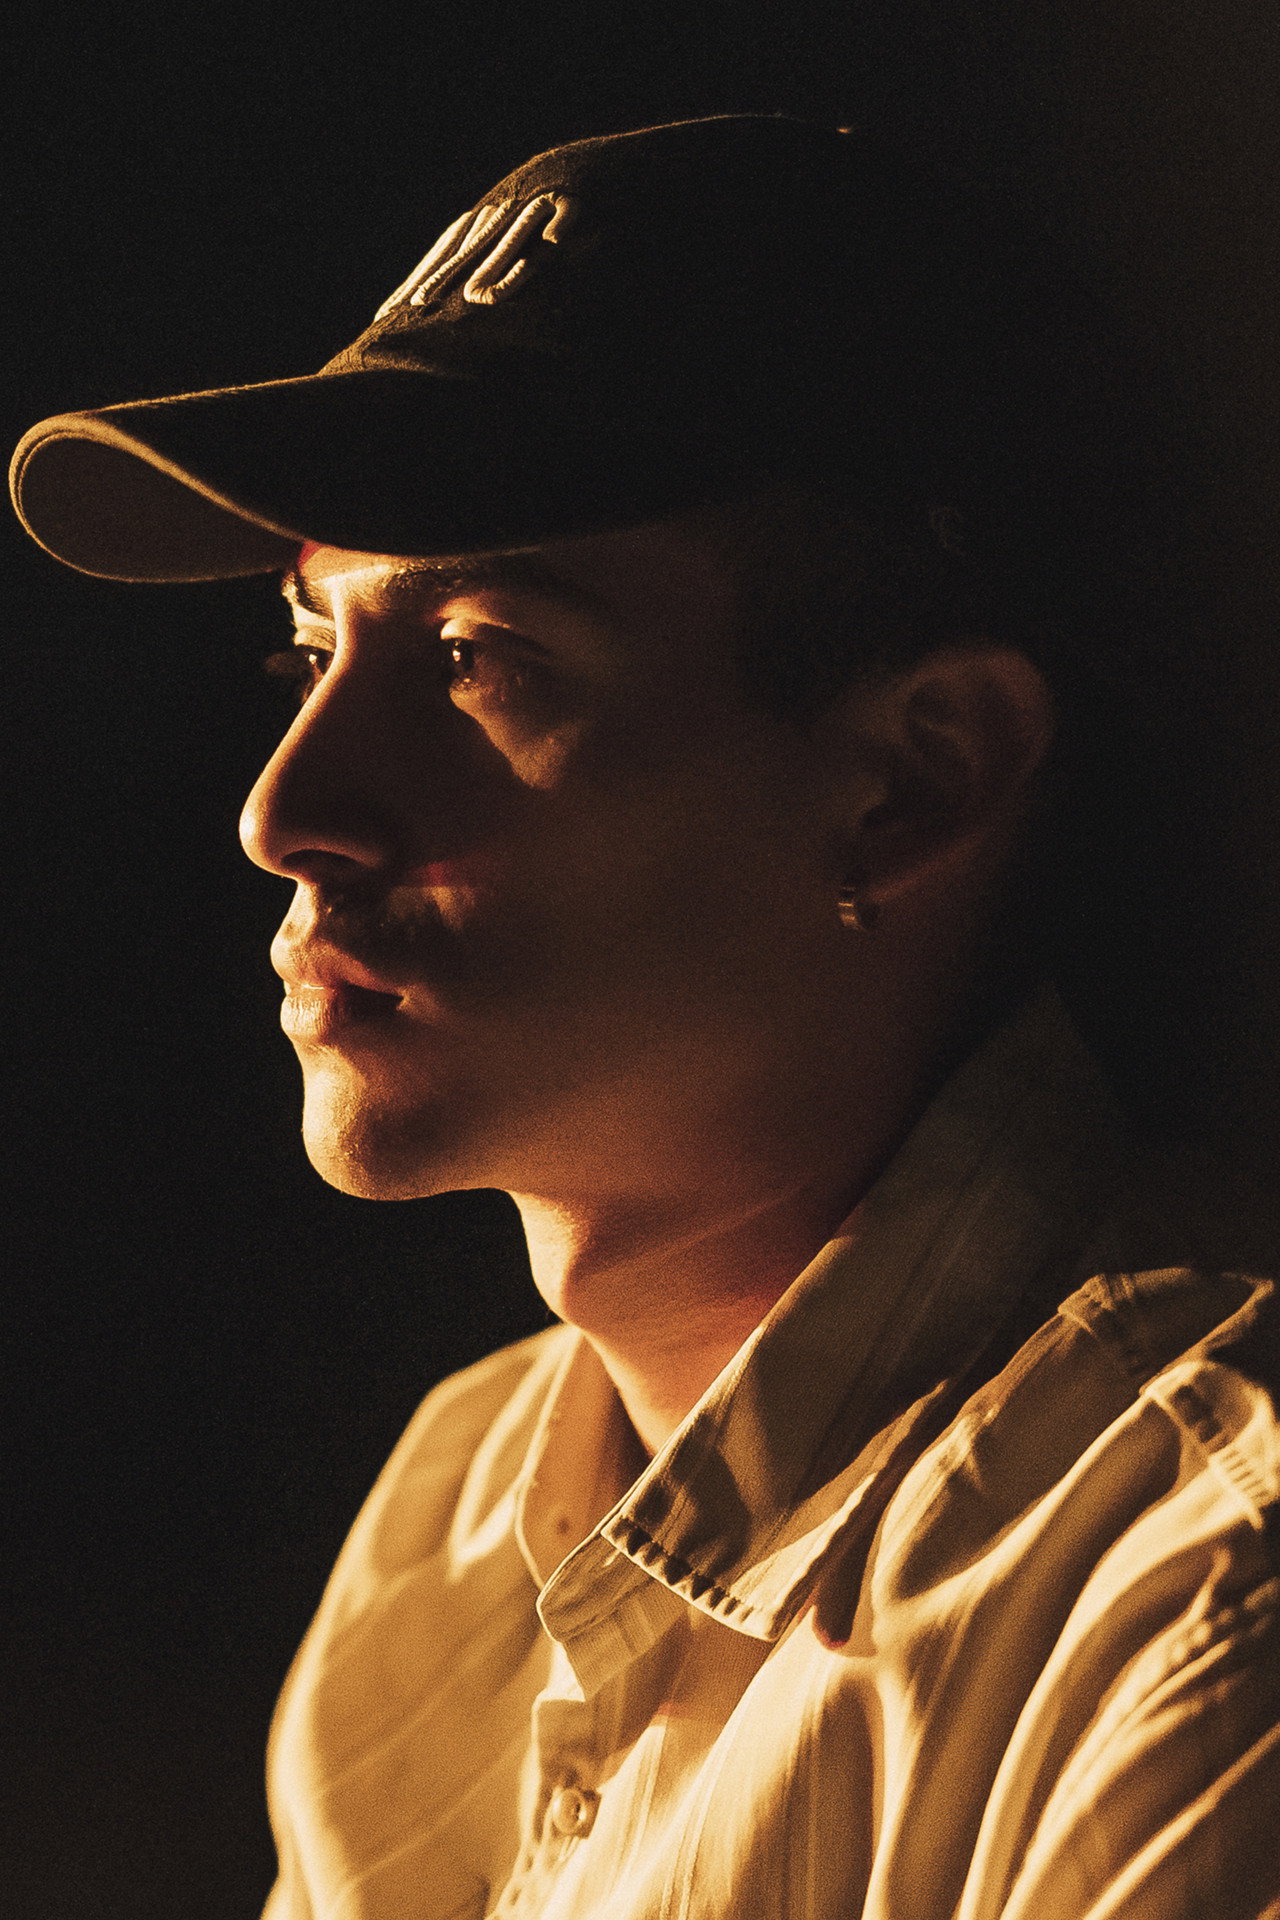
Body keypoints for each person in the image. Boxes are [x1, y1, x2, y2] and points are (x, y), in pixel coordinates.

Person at [10, 115, 1279, 1920]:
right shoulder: (457, 1529)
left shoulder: (1196, 1579)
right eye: (312, 647)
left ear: (912, 781)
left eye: (480, 654)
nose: (284, 810)